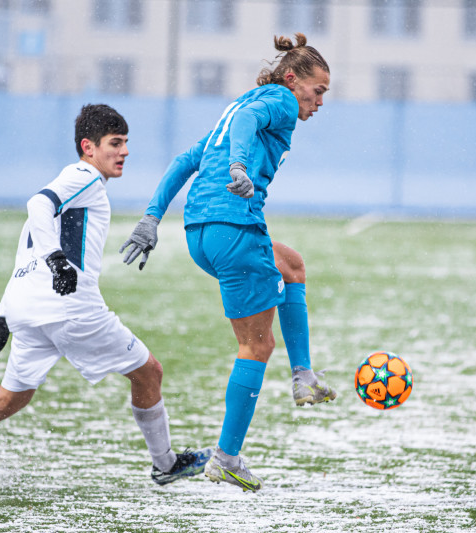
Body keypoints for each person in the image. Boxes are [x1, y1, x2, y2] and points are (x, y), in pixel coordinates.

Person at [0, 104, 212, 490]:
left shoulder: (70, 186)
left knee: (9, 399)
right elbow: (37, 204)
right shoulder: (83, 176)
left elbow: (26, 249)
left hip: (29, 308)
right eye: (115, 143)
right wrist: (57, 261)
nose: (125, 152)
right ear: (88, 147)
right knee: (149, 371)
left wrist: (2, 316)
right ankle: (165, 464)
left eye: (126, 143)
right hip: (68, 306)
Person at [119, 34, 336, 492]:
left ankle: (304, 377)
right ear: (293, 79)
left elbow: (185, 160)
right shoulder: (276, 100)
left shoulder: (236, 106)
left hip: (201, 231)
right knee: (256, 347)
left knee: (290, 265)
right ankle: (227, 457)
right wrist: (239, 166)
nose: (319, 103)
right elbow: (251, 126)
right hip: (234, 227)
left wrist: (151, 218)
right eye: (318, 91)